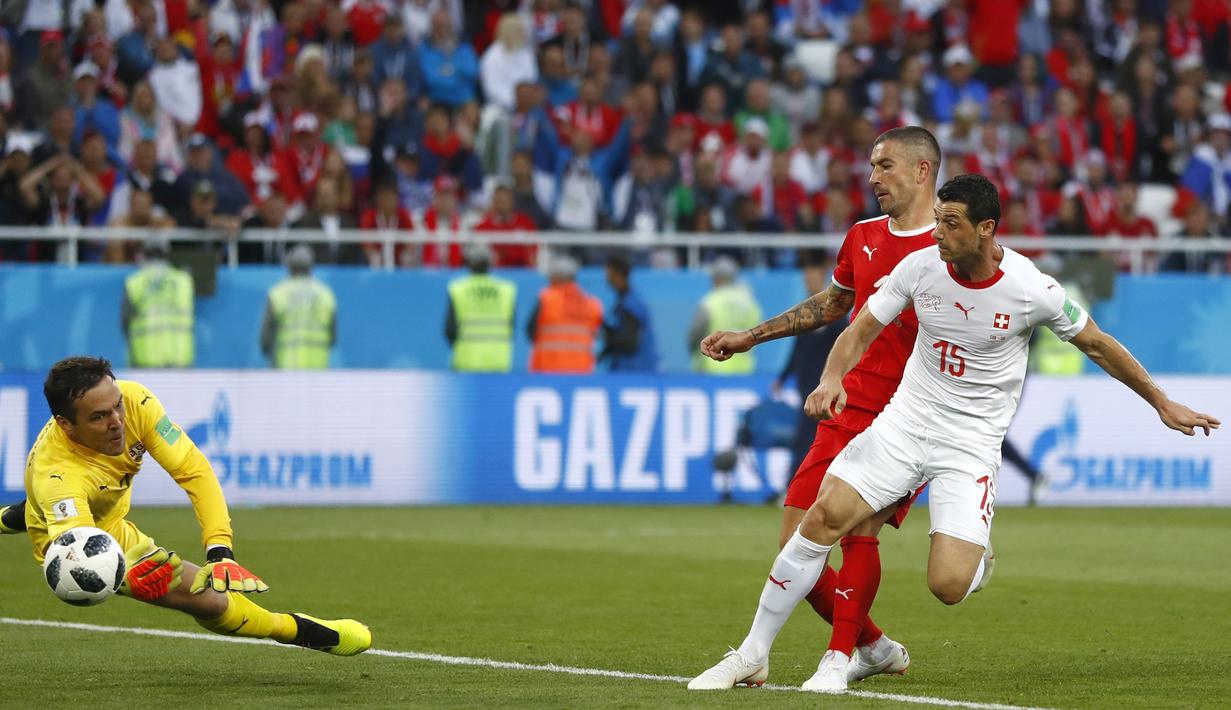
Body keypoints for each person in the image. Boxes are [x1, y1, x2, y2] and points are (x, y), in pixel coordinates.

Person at [702, 174, 1219, 694]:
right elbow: (859, 327)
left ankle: (975, 553)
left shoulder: (1030, 288)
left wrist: (1162, 402)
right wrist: (833, 377)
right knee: (822, 518)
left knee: (947, 586)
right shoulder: (921, 266)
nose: (939, 233)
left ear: (986, 229)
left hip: (969, 444)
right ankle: (752, 654)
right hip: (906, 422)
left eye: (951, 224)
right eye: (939, 220)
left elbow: (1100, 345)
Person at [690, 126, 943, 692]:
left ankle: (834, 660)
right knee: (793, 540)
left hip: (907, 414)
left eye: (886, 166)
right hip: (846, 402)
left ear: (923, 171)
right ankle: (873, 646)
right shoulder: (862, 236)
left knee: (859, 530)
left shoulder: (949, 244)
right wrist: (752, 337)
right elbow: (834, 304)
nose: (873, 177)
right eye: (872, 166)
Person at [3, 356, 371, 653]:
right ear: (65, 424)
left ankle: (15, 515)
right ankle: (292, 628)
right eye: (99, 417)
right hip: (83, 535)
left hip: (100, 505)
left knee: (82, 500)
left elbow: (193, 470)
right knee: (209, 602)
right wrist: (128, 578)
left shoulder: (136, 402)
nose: (117, 422)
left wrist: (219, 549)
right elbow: (79, 563)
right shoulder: (57, 479)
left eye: (116, 406)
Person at [260, 246, 338, 369]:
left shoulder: (278, 293)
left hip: (286, 367)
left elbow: (265, 337)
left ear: (290, 267)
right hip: (318, 369)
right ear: (311, 267)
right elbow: (333, 338)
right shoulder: (325, 294)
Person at [121, 237, 195, 368]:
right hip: (180, 358)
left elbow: (125, 321)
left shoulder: (135, 282)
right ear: (167, 254)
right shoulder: (184, 280)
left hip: (145, 358)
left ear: (142, 255)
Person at [445, 244, 517, 373]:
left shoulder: (458, 289)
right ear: (490, 263)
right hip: (498, 360)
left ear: (468, 263)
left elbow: (450, 330)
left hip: (467, 360)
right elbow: (512, 326)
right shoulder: (506, 290)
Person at [527, 255, 603, 374]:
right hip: (582, 370)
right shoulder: (592, 303)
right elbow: (597, 334)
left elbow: (530, 331)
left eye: (551, 276)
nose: (549, 280)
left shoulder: (546, 299)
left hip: (547, 370)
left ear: (559, 277)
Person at [688, 256, 762, 375]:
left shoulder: (710, 301)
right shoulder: (750, 302)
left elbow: (695, 334)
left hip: (714, 366)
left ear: (716, 278)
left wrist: (695, 356)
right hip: (745, 368)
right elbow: (758, 330)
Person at [600, 253, 658, 372]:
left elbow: (629, 342)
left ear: (617, 274)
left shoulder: (631, 304)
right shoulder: (625, 302)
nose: (606, 278)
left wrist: (607, 339)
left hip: (634, 371)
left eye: (608, 273)